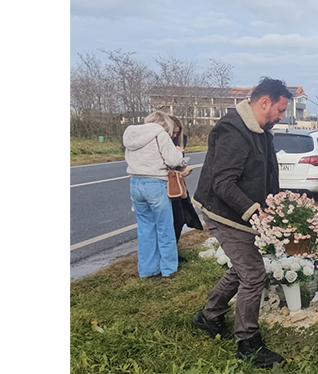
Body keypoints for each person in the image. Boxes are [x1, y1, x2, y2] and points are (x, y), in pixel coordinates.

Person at [191, 77, 291, 368]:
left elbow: (266, 174)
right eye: (280, 110)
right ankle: (248, 343)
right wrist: (255, 212)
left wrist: (276, 206)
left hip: (242, 213)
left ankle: (209, 316)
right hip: (223, 212)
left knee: (243, 267)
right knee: (253, 274)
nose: (282, 116)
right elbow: (223, 183)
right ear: (264, 102)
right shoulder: (233, 130)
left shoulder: (261, 131)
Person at [122, 111, 187, 278]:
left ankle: (147, 270)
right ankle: (168, 269)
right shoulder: (161, 135)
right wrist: (179, 153)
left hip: (135, 182)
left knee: (145, 228)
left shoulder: (131, 134)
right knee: (165, 228)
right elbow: (173, 160)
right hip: (155, 183)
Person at [168, 117, 202, 245]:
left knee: (180, 218)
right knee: (173, 219)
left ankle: (173, 249)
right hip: (168, 185)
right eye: (173, 132)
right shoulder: (162, 143)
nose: (175, 135)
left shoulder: (179, 141)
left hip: (177, 184)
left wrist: (181, 165)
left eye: (177, 133)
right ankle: (168, 252)